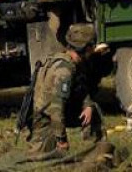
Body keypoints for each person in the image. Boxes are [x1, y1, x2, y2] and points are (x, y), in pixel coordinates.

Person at [27, 23, 103, 155]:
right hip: (46, 120)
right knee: (41, 157)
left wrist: (88, 105)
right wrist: (61, 139)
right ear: (85, 48)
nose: (93, 50)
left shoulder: (75, 63)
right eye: (91, 46)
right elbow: (56, 109)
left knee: (94, 110)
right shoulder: (64, 71)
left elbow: (81, 89)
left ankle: (96, 152)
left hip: (59, 113)